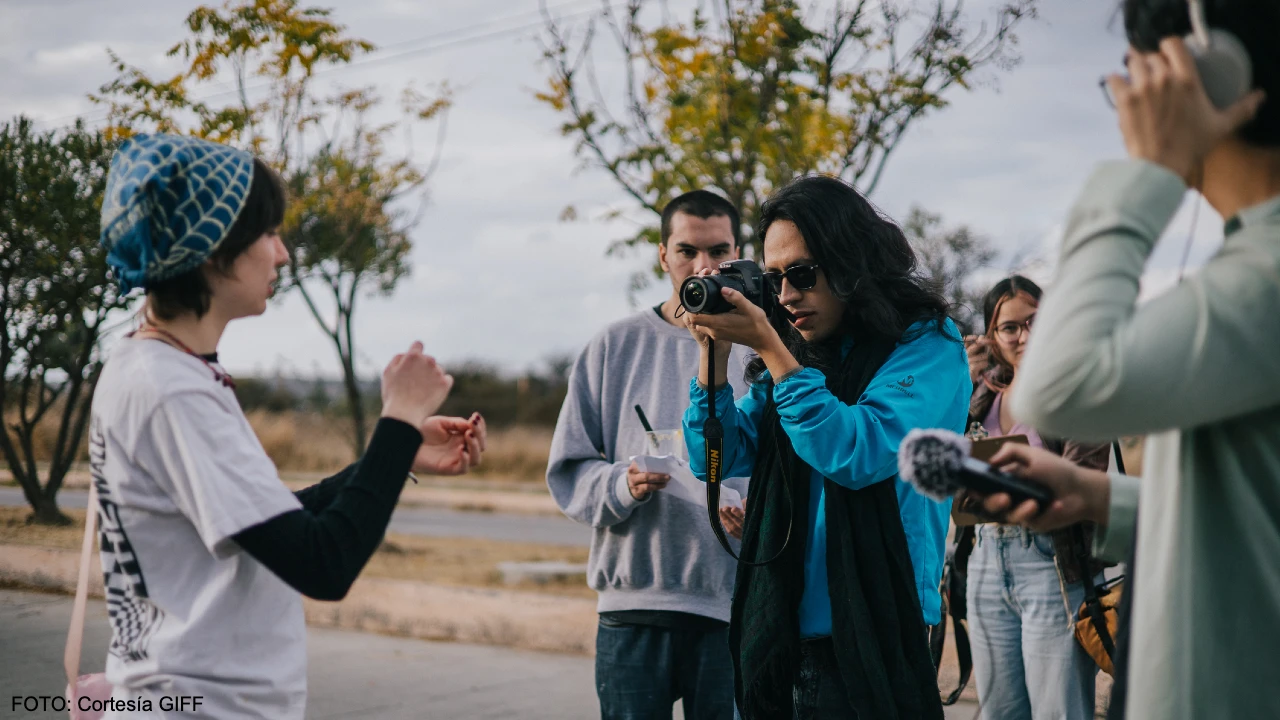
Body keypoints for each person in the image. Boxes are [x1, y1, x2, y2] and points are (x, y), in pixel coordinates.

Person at [89, 134, 485, 719]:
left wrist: (397, 453)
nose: (283, 254)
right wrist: (400, 416)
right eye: (268, 233)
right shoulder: (172, 390)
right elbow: (323, 564)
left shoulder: (151, 365)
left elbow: (271, 525)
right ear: (212, 247)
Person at [987, 2, 1280, 717]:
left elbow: (1057, 385)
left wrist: (1150, 168)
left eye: (1136, 77)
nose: (1126, 102)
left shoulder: (1267, 276)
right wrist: (1098, 497)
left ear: (1207, 74)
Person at [681, 175, 970, 720]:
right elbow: (716, 458)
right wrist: (713, 357)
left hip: (872, 626)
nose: (787, 296)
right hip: (780, 625)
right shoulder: (798, 355)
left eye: (802, 274)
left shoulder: (927, 343)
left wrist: (771, 346)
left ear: (851, 261)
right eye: (774, 279)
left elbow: (858, 453)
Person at [546, 190, 751, 720]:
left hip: (733, 603)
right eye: (687, 251)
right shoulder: (613, 345)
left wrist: (762, 515)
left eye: (718, 251)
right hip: (632, 603)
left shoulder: (762, 350)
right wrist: (622, 485)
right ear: (663, 255)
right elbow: (568, 468)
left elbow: (790, 466)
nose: (703, 266)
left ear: (738, 251)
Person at [960, 276, 1109, 720]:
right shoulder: (980, 393)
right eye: (1010, 327)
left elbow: (1085, 478)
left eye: (1034, 322)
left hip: (1052, 560)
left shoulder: (1075, 388)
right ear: (991, 335)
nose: (1025, 336)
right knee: (1000, 710)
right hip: (985, 559)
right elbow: (941, 457)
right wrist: (958, 382)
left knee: (1058, 709)